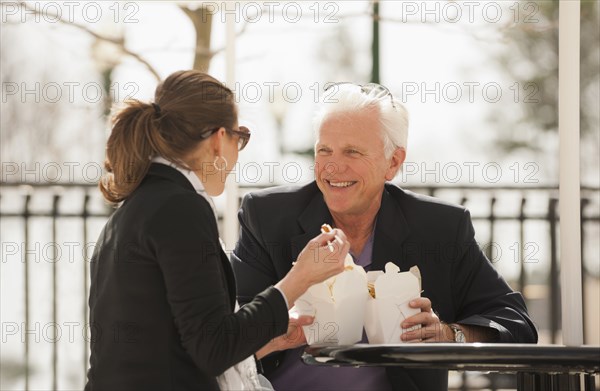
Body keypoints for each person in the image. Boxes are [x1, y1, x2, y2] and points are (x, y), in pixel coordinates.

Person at [231, 82, 538, 391]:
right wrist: (273, 336)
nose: (334, 167)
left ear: (393, 162)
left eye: (352, 151)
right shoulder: (266, 217)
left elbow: (516, 324)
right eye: (324, 150)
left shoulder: (440, 228)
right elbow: (221, 339)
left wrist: (447, 334)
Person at [85, 70, 351, 390]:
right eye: (240, 138)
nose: (238, 153)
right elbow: (213, 348)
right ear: (217, 140)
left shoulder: (132, 211)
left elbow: (184, 348)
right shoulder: (180, 208)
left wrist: (268, 338)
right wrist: (300, 278)